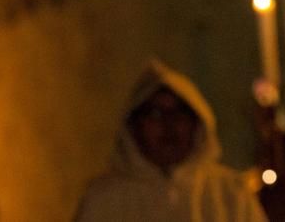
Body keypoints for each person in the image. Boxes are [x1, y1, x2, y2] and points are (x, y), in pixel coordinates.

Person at [74, 59, 268, 222]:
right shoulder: (105, 200)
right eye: (156, 114)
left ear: (196, 124)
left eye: (179, 114)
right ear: (135, 125)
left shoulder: (230, 195)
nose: (169, 124)